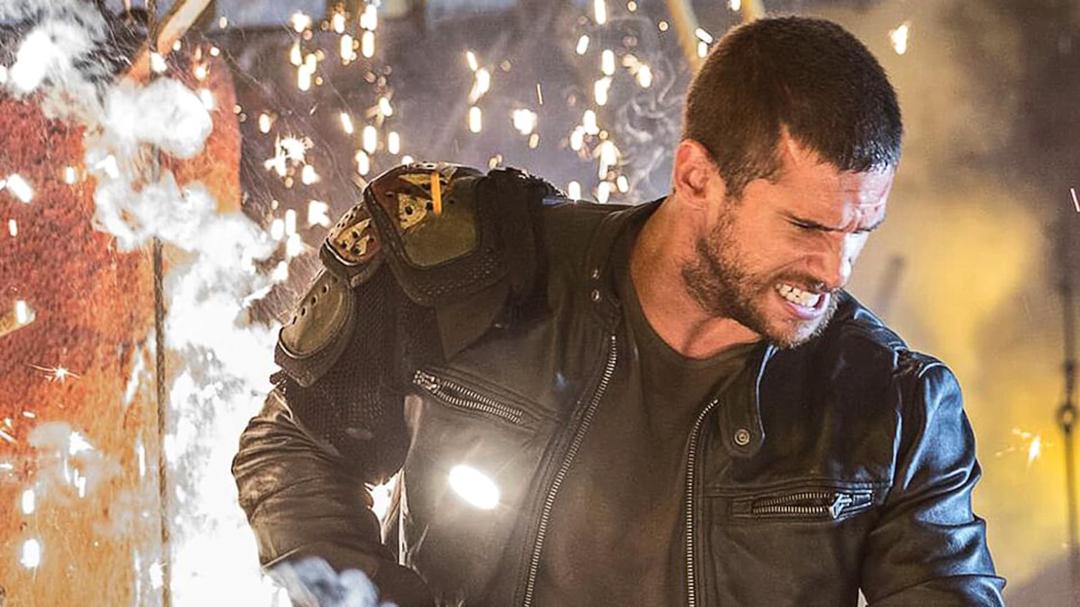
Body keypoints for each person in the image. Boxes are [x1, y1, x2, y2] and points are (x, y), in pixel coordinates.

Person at [233, 16, 1005, 606]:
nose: (834, 270)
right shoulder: (469, 272)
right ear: (696, 177)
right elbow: (291, 445)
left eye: (858, 232)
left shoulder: (893, 406)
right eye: (805, 226)